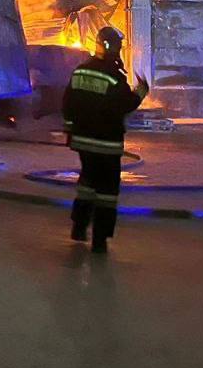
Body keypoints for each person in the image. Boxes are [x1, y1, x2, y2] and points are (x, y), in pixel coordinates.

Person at [62, 26, 148, 254]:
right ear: (111, 47)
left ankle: (79, 227)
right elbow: (125, 105)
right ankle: (99, 240)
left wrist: (71, 132)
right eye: (118, 46)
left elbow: (67, 104)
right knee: (107, 193)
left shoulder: (80, 71)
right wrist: (141, 91)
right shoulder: (113, 77)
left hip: (83, 143)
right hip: (107, 145)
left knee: (87, 185)